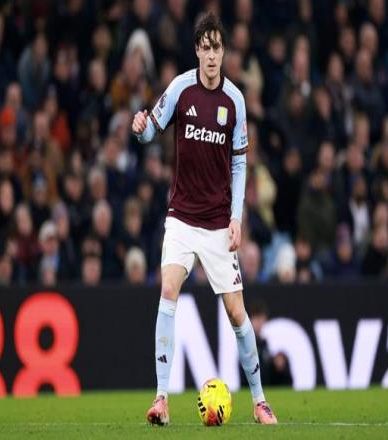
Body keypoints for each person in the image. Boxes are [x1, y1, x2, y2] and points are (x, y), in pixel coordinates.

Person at [132, 13, 277, 426]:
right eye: (206, 47)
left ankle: (260, 401)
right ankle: (161, 399)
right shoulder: (180, 88)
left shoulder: (235, 100)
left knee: (237, 313)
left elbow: (240, 163)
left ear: (224, 52)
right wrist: (140, 128)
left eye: (218, 47)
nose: (212, 55)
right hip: (181, 217)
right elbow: (150, 130)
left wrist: (236, 217)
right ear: (197, 49)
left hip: (216, 223)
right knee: (168, 289)